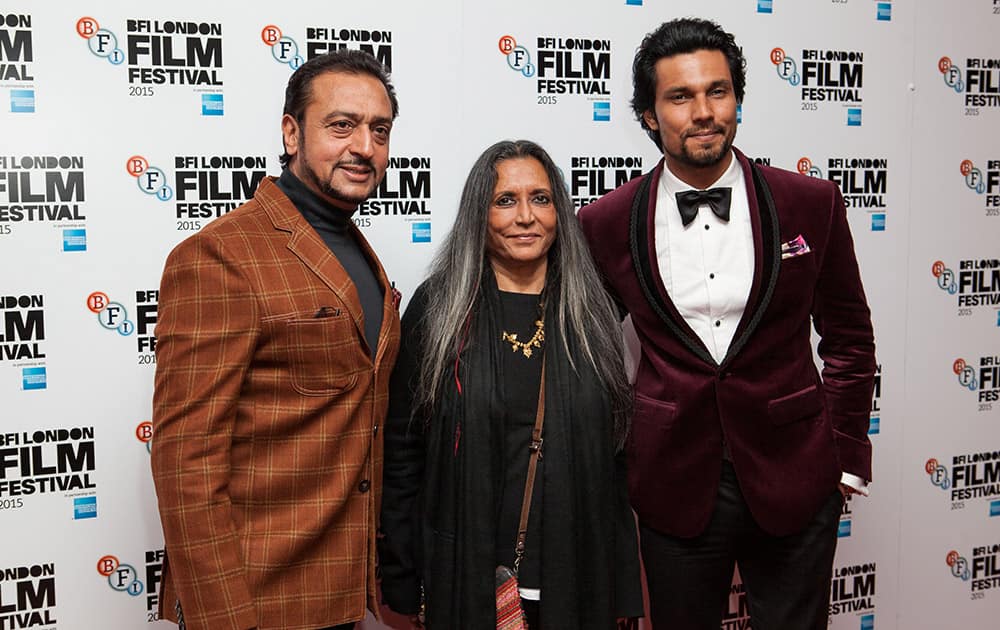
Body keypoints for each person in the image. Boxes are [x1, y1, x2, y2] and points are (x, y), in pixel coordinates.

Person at [578, 18, 876, 630]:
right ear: (649, 115)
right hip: (673, 482)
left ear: (737, 99)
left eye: (718, 91)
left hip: (796, 473)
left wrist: (843, 458)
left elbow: (849, 338)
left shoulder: (809, 203)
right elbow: (588, 353)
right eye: (680, 96)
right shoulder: (605, 221)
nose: (704, 111)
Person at [150, 49, 401, 630]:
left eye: (379, 129)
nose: (364, 146)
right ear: (291, 132)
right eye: (342, 125)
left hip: (343, 596)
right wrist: (225, 618)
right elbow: (185, 462)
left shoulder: (359, 252)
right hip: (256, 601)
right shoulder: (220, 256)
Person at [378, 140, 644, 629]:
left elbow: (615, 463)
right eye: (505, 201)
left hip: (578, 577)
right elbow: (402, 453)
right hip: (465, 578)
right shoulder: (438, 310)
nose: (526, 216)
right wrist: (400, 572)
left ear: (560, 211)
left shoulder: (592, 314)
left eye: (541, 199)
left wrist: (625, 585)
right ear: (480, 213)